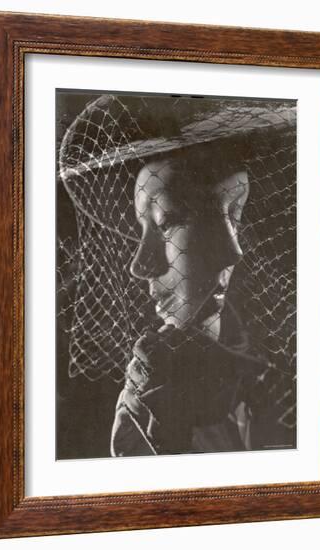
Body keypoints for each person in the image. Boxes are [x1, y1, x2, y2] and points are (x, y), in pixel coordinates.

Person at [110, 144, 275, 457]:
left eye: (166, 223)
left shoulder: (273, 371)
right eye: (150, 227)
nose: (140, 265)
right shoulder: (148, 400)